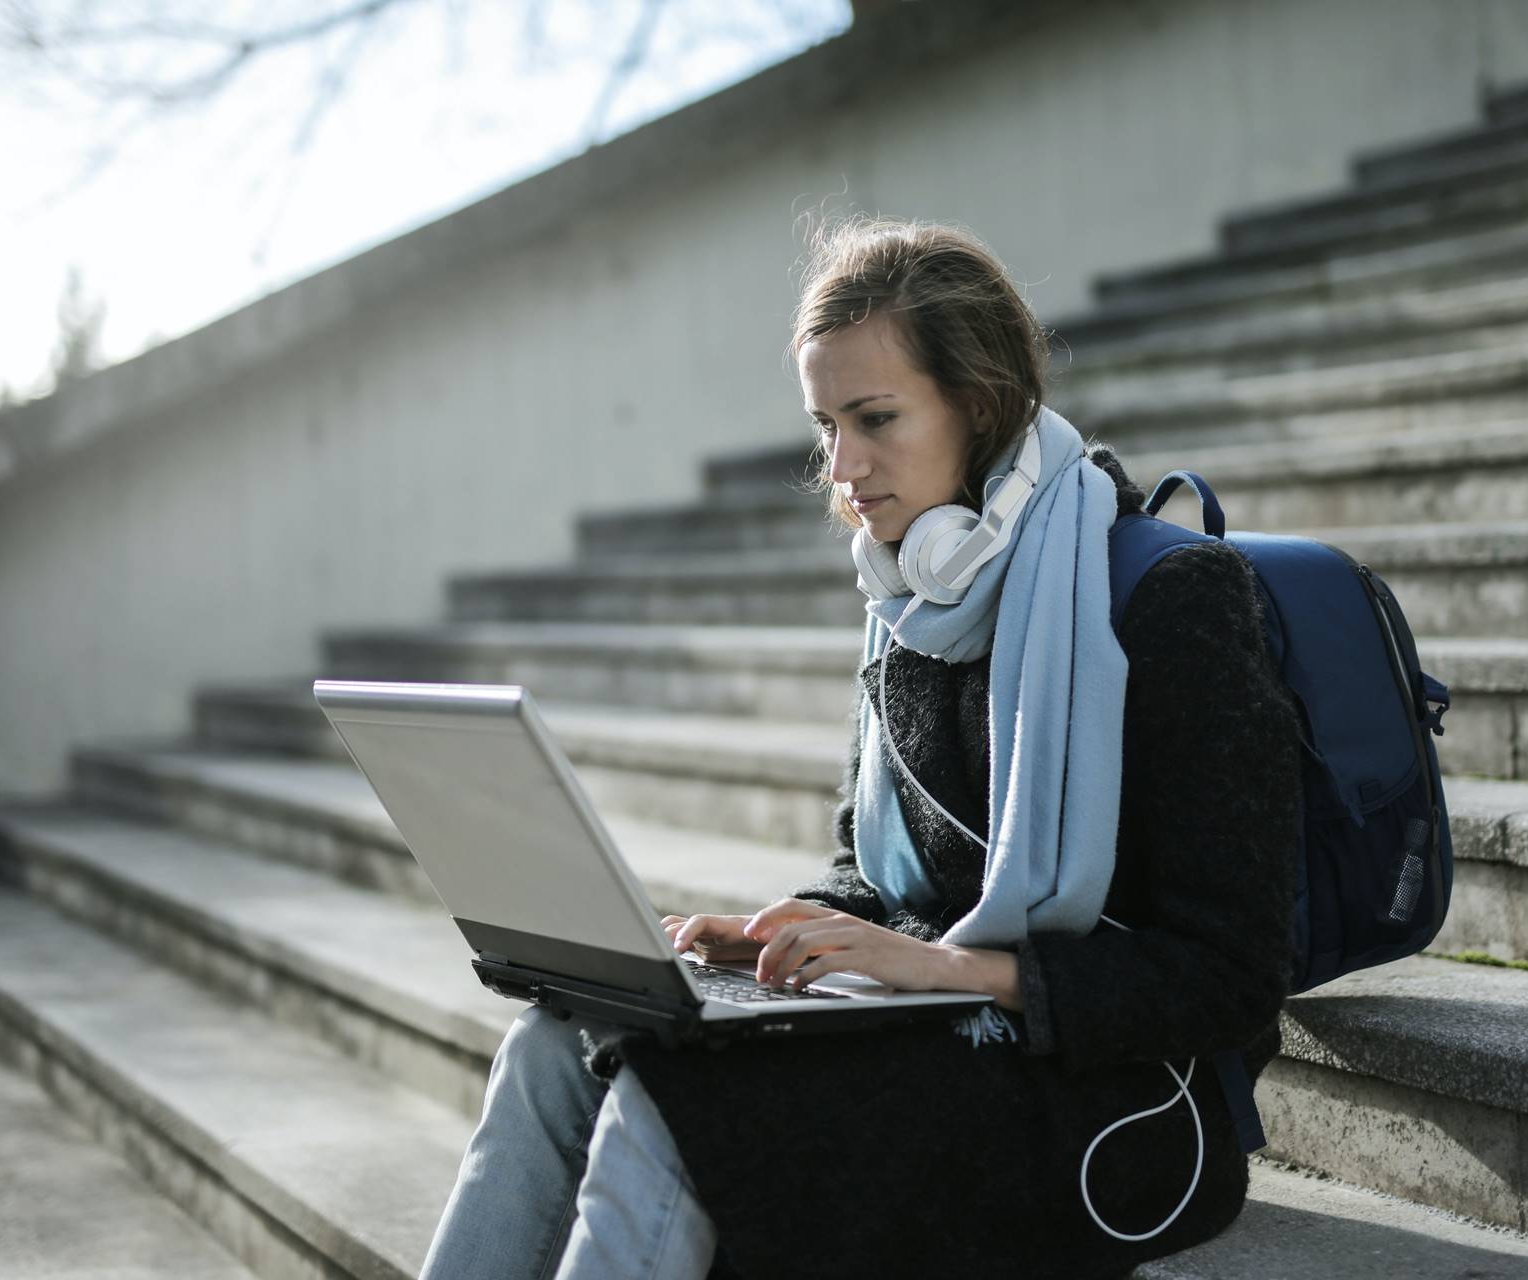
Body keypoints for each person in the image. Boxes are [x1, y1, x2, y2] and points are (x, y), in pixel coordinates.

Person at [418, 216, 1303, 1280]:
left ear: (977, 405)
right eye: (826, 424)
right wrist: (775, 937)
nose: (843, 467)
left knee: (681, 1096)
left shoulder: (1172, 599)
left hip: (1112, 1089)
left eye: (875, 418)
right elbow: (875, 872)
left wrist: (945, 967)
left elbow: (1231, 973)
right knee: (553, 1045)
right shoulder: (908, 600)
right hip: (933, 1021)